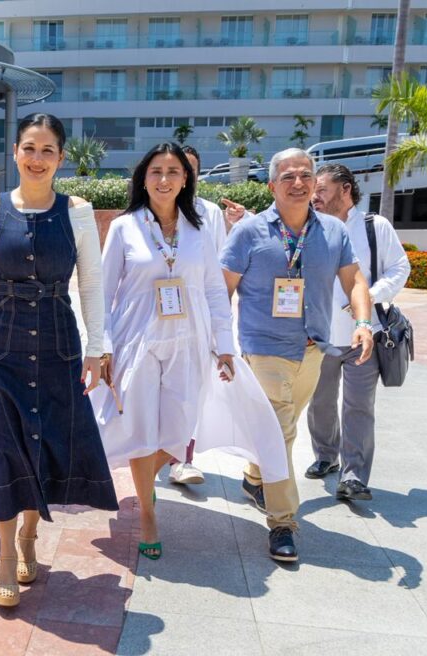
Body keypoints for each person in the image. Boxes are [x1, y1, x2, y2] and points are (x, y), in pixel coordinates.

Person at [0, 113, 118, 608]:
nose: (37, 159)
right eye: (29, 148)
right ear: (15, 153)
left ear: (61, 158)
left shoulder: (78, 211)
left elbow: (91, 283)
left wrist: (96, 348)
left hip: (57, 344)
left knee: (41, 444)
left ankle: (29, 532)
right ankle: (6, 556)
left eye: (48, 150)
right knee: (4, 448)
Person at [220, 148, 375, 562]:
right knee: (282, 432)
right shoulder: (249, 232)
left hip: (313, 350)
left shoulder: (333, 231)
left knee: (276, 431)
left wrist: (363, 322)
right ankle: (283, 522)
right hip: (264, 349)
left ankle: (255, 477)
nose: (299, 183)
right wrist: (219, 345)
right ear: (272, 185)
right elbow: (222, 289)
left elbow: (355, 280)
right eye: (288, 176)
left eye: (306, 175)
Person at [92, 143, 235, 560]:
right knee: (139, 429)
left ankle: (140, 480)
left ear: (186, 179)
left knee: (177, 430)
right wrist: (103, 347)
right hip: (136, 339)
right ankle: (147, 513)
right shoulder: (125, 227)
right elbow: (102, 292)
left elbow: (214, 289)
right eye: (156, 171)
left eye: (173, 171)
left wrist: (224, 346)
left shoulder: (198, 229)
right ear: (143, 178)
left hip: (188, 340)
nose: (164, 179)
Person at [306, 164, 410, 501]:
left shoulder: (373, 226)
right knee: (320, 402)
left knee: (358, 406)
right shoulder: (310, 225)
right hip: (320, 336)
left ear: (345, 189)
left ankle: (354, 476)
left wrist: (370, 296)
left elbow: (400, 267)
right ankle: (326, 456)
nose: (314, 196)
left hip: (365, 335)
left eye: (321, 189)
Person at [163, 145, 232, 486]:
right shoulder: (146, 213)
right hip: (155, 317)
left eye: (189, 170)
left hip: (195, 319)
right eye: (177, 169)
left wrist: (221, 331)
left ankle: (182, 460)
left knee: (189, 391)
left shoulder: (209, 214)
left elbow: (217, 274)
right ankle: (152, 460)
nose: (183, 176)